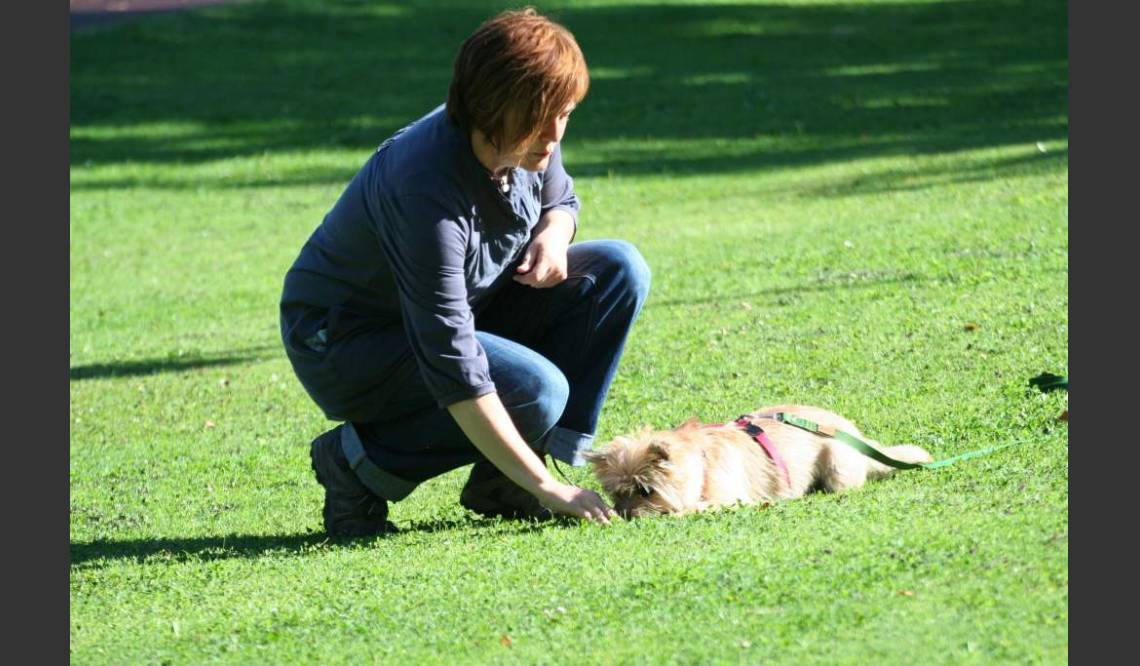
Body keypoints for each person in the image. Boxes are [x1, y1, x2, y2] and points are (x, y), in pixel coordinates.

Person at [279, 7, 650, 536]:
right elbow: (453, 361)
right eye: (541, 116)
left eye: (564, 113)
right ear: (492, 107)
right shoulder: (426, 191)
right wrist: (552, 489)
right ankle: (355, 463)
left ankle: (504, 482)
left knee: (617, 269)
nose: (554, 132)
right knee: (535, 390)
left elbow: (560, 197)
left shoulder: (523, 131)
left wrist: (554, 233)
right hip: (345, 341)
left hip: (450, 312)